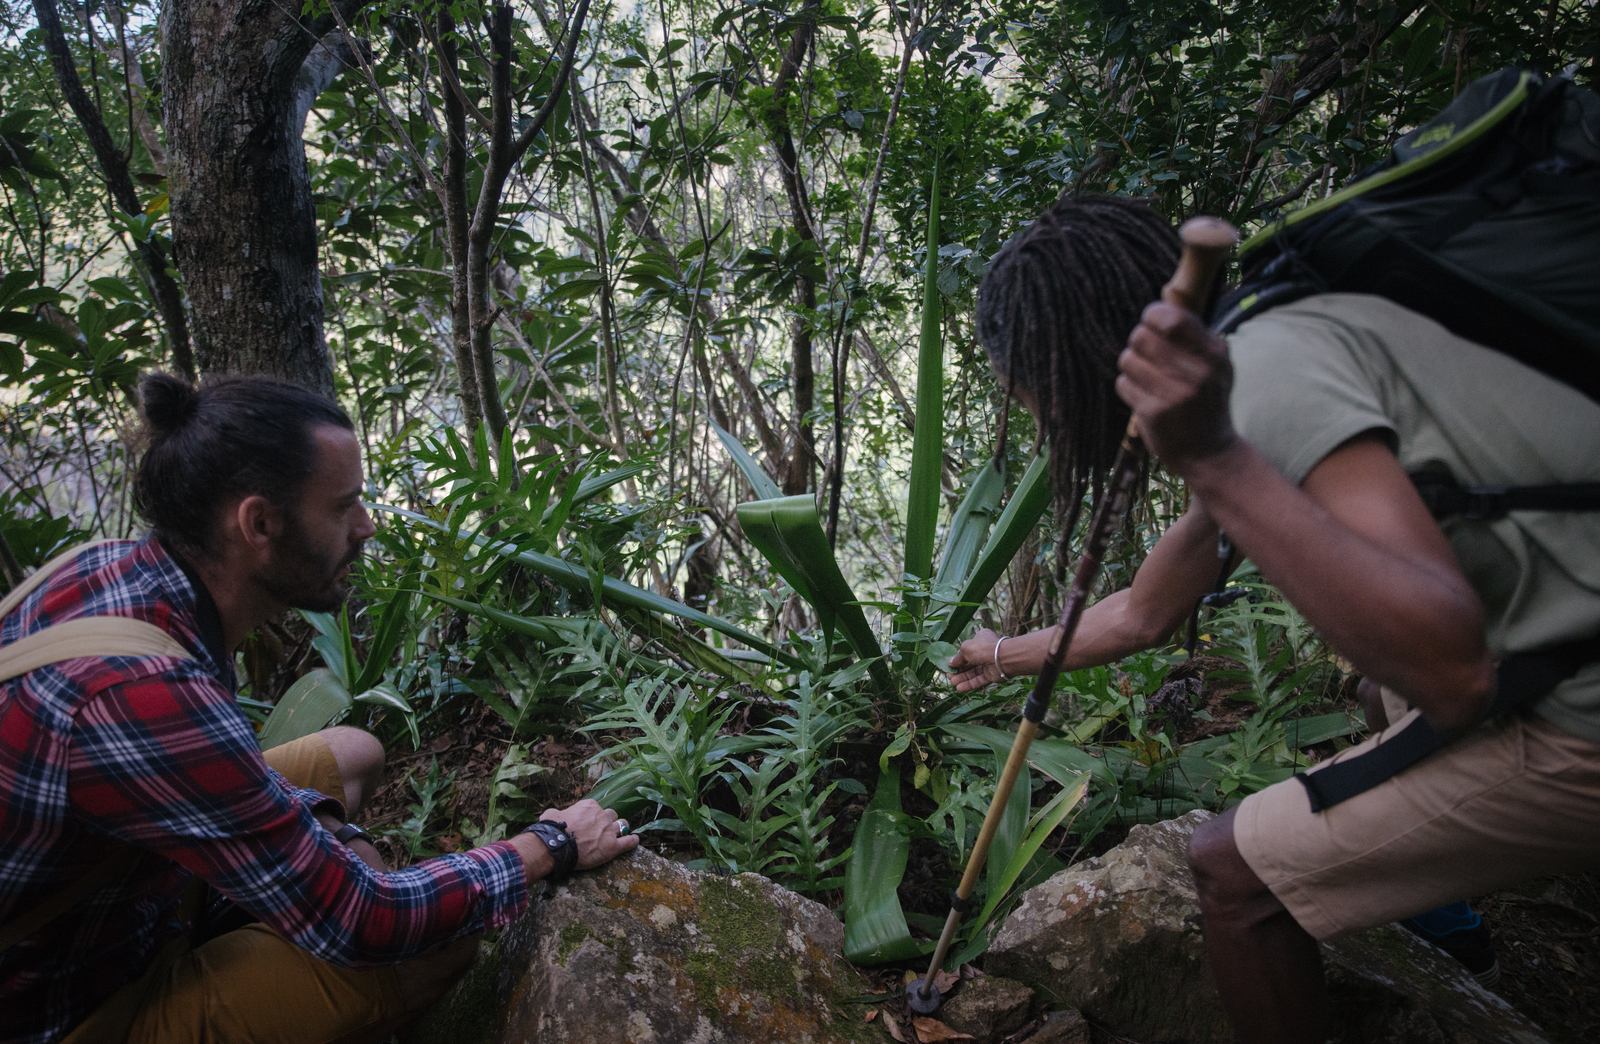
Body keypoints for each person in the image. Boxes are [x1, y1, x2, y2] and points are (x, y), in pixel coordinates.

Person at [953, 194, 1600, 1041]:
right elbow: (1147, 612)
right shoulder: (1274, 342)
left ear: (1077, 361)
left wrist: (1214, 460)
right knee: (1376, 698)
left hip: (1572, 698)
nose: (1044, 426)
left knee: (1232, 875)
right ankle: (1453, 942)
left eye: (1032, 399)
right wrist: (1001, 655)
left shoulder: (1270, 378)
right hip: (1556, 636)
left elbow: (1451, 670)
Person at [0, 373, 639, 1044]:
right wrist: (550, 845)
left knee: (353, 755)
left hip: (120, 909)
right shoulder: (144, 694)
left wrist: (335, 858)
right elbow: (365, 920)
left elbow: (216, 781)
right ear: (259, 523)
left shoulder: (112, 569)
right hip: (65, 1009)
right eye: (344, 507)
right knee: (437, 944)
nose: (365, 526)